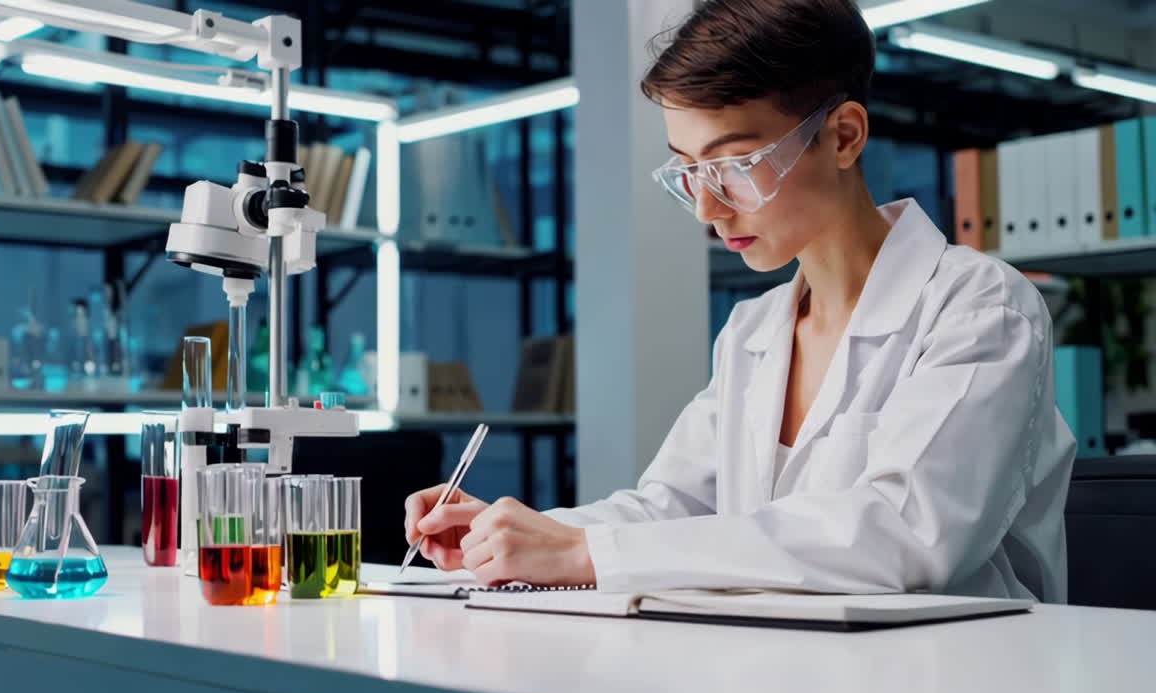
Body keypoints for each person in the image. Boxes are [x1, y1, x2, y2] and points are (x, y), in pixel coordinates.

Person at [403, 0, 1074, 601]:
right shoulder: (754, 330)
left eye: (735, 165)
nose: (706, 206)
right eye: (690, 169)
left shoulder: (981, 307)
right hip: (787, 673)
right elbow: (673, 508)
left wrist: (580, 554)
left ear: (843, 136)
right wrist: (514, 532)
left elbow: (904, 534)